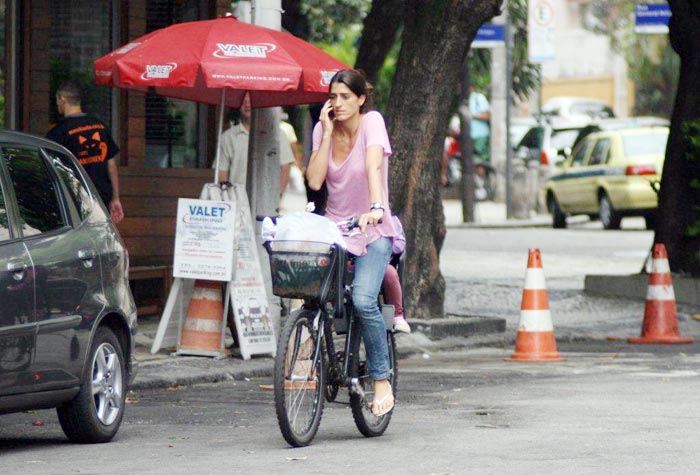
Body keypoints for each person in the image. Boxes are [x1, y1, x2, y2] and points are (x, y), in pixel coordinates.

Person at [306, 69, 398, 417]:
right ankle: (313, 359)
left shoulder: (372, 121)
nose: (338, 103)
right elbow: (315, 180)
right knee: (311, 294)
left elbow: (374, 166)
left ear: (361, 99)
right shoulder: (321, 129)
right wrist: (326, 133)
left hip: (373, 229)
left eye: (345, 96)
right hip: (336, 229)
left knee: (362, 299)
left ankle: (380, 377)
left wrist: (376, 208)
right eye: (333, 97)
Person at [47, 80, 124, 223]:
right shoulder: (99, 125)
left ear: (63, 99)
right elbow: (111, 165)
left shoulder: (58, 132)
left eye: (57, 100)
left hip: (75, 200)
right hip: (102, 196)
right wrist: (115, 198)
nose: (57, 104)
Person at [215, 93, 295, 194]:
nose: (247, 105)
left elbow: (285, 167)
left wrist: (278, 195)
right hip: (236, 199)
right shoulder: (228, 136)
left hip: (266, 200)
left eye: (251, 101)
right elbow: (222, 170)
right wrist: (225, 198)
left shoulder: (277, 135)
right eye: (243, 102)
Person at [384, 215, 410, 334]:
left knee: (389, 273)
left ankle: (397, 315)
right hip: (352, 262)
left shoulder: (391, 219)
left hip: (381, 262)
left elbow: (400, 244)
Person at [469, 85, 490, 162]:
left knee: (479, 160)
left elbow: (486, 115)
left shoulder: (478, 98)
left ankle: (480, 174)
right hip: (468, 136)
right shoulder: (465, 100)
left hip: (480, 135)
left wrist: (472, 116)